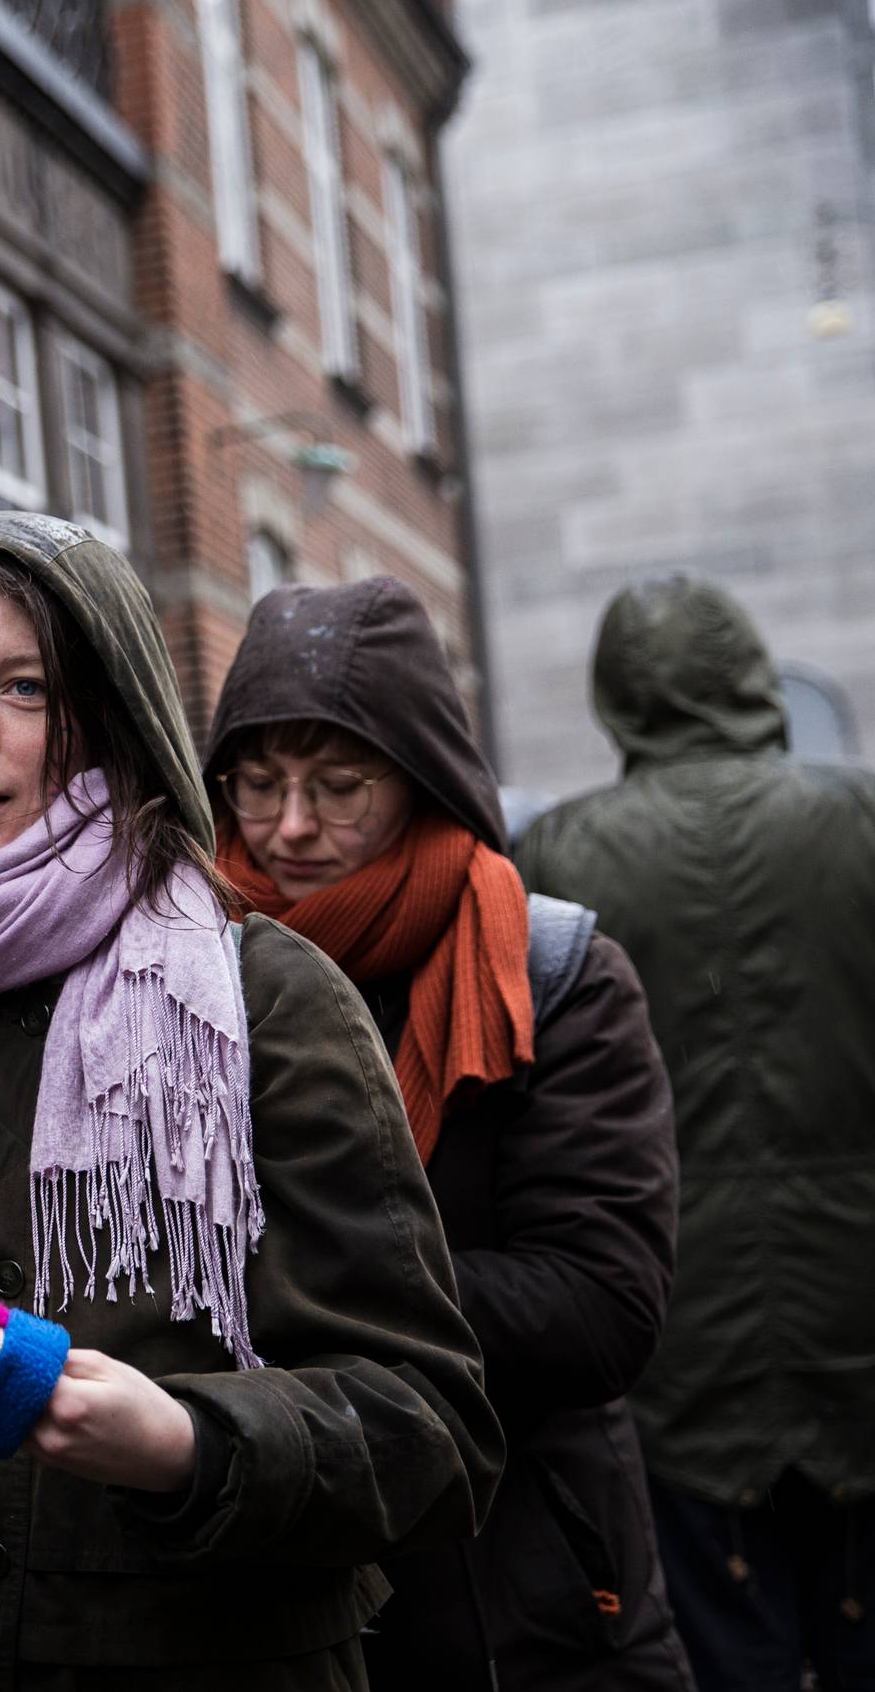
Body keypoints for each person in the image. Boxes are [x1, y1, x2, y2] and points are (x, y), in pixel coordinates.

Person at [0, 512, 503, 1690]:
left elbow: (429, 1433)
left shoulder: (261, 1000)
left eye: (22, 688)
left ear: (107, 713)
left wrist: (184, 1445)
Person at [204, 577, 691, 1691]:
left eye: (339, 785)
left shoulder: (553, 977)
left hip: (521, 1595)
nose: (288, 827)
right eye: (257, 782)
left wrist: (280, 1285)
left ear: (419, 780)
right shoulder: (172, 972)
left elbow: (600, 1305)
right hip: (271, 1586)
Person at [512, 576, 875, 1692]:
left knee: (728, 1646)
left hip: (674, 1338)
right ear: (753, 675)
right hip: (859, 1312)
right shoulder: (858, 820)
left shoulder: (556, 861)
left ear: (614, 698)